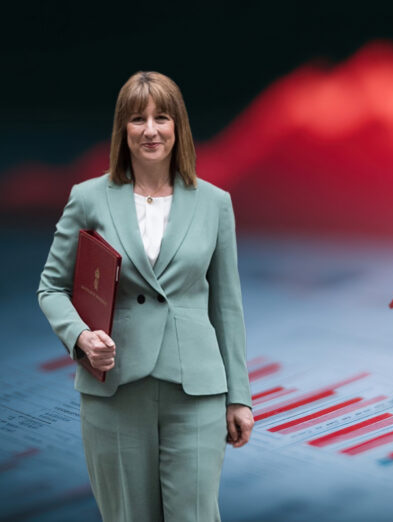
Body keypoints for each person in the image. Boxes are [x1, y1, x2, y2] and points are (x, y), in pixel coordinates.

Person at [37, 71, 254, 521]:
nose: (150, 129)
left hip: (195, 390)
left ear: (179, 127)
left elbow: (227, 307)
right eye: (138, 119)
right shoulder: (88, 198)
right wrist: (81, 338)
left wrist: (240, 397)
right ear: (123, 129)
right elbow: (52, 287)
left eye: (161, 117)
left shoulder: (215, 203)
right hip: (115, 388)